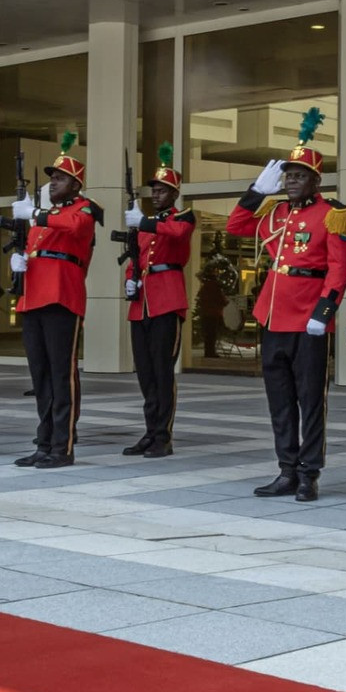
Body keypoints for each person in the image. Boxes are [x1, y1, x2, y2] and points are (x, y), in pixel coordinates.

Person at [227, 109, 346, 501]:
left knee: (310, 400)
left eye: (299, 176)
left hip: (308, 317)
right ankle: (286, 469)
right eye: (288, 176)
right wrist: (256, 192)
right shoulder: (275, 211)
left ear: (316, 180)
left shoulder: (332, 214)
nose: (291, 182)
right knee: (280, 400)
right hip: (273, 314)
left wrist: (325, 312)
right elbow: (236, 227)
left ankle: (309, 473)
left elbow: (339, 269)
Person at [8, 132, 100, 467]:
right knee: (40, 375)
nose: (54, 183)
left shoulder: (84, 208)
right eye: (53, 178)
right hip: (33, 297)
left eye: (61, 178)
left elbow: (75, 227)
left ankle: (64, 445)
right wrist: (19, 262)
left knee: (63, 374)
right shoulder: (44, 216)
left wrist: (35, 214)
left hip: (62, 296)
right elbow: (34, 246)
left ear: (76, 185)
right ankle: (44, 441)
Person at [123, 142, 195, 458]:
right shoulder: (144, 226)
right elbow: (135, 259)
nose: (156, 194)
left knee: (163, 372)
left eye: (162, 190)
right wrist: (129, 280)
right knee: (145, 371)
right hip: (142, 302)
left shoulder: (185, 216)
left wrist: (144, 223)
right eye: (153, 189)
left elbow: (176, 234)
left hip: (167, 298)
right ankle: (150, 431)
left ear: (174, 193)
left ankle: (163, 436)